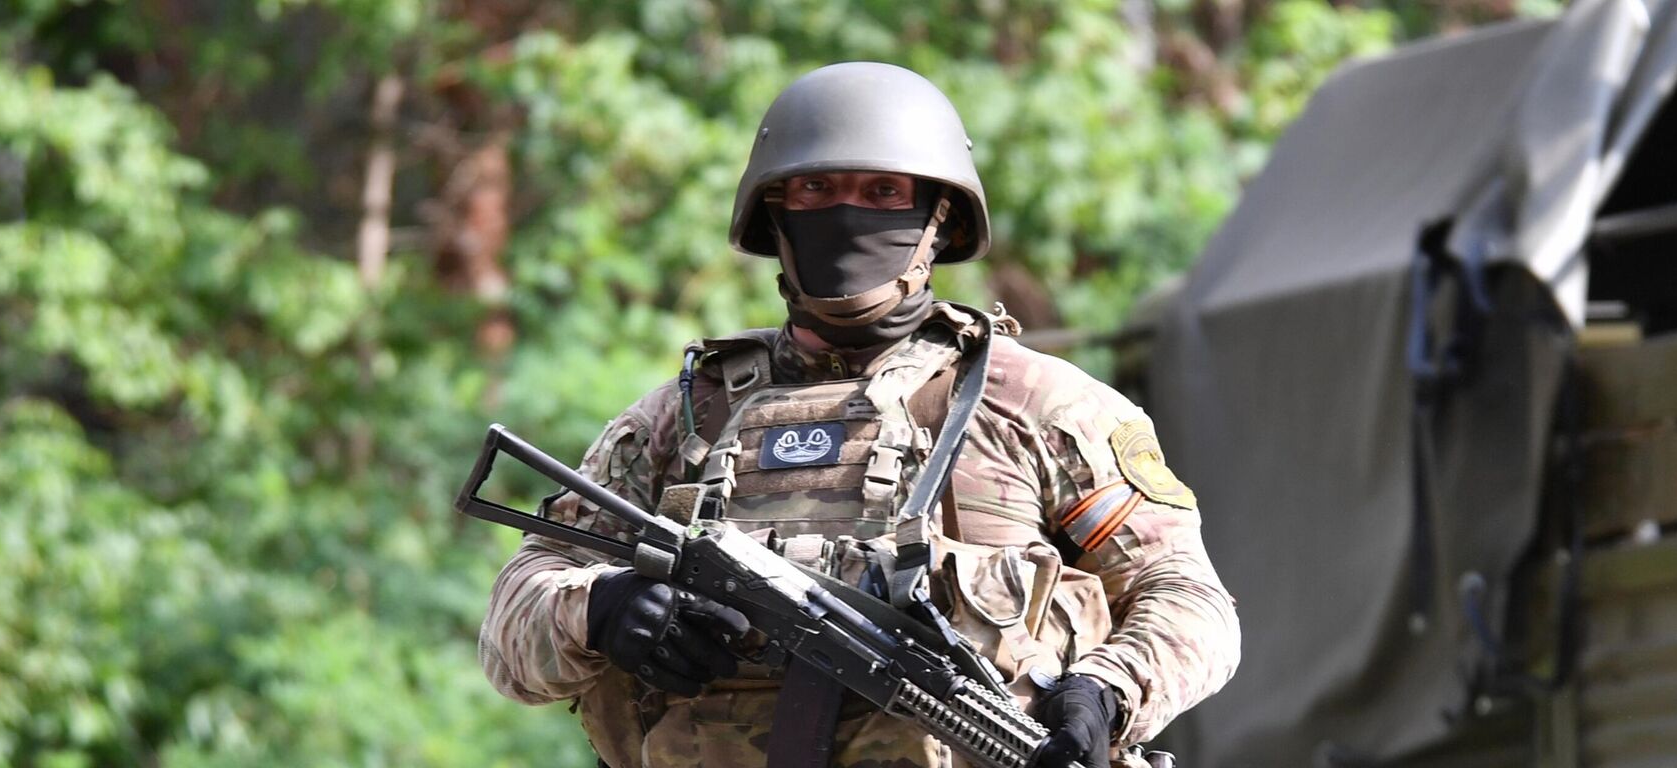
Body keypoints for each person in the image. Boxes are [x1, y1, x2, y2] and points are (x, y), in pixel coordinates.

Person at [478, 62, 1239, 768]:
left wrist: (1108, 690)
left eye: (882, 193)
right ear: (772, 214)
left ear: (940, 217)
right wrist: (601, 609)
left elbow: (1189, 598)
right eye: (814, 191)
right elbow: (513, 629)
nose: (846, 215)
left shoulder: (1037, 406)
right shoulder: (684, 420)